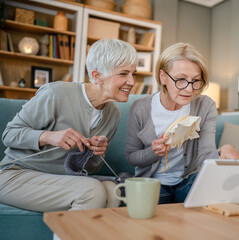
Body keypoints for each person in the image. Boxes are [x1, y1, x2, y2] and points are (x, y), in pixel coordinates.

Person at [0, 39, 137, 212]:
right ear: (97, 76)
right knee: (91, 191)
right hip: (16, 174)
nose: (132, 81)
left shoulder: (113, 114)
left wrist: (96, 153)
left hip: (61, 180)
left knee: (112, 190)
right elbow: (9, 134)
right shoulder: (56, 93)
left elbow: (87, 169)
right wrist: (49, 136)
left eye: (134, 74)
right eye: (124, 74)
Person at [125, 42, 239, 204]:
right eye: (181, 80)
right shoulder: (140, 108)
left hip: (187, 180)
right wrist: (153, 152)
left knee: (213, 202)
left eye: (196, 80)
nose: (189, 89)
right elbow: (131, 156)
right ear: (163, 77)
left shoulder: (205, 106)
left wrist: (223, 151)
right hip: (153, 183)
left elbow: (205, 153)